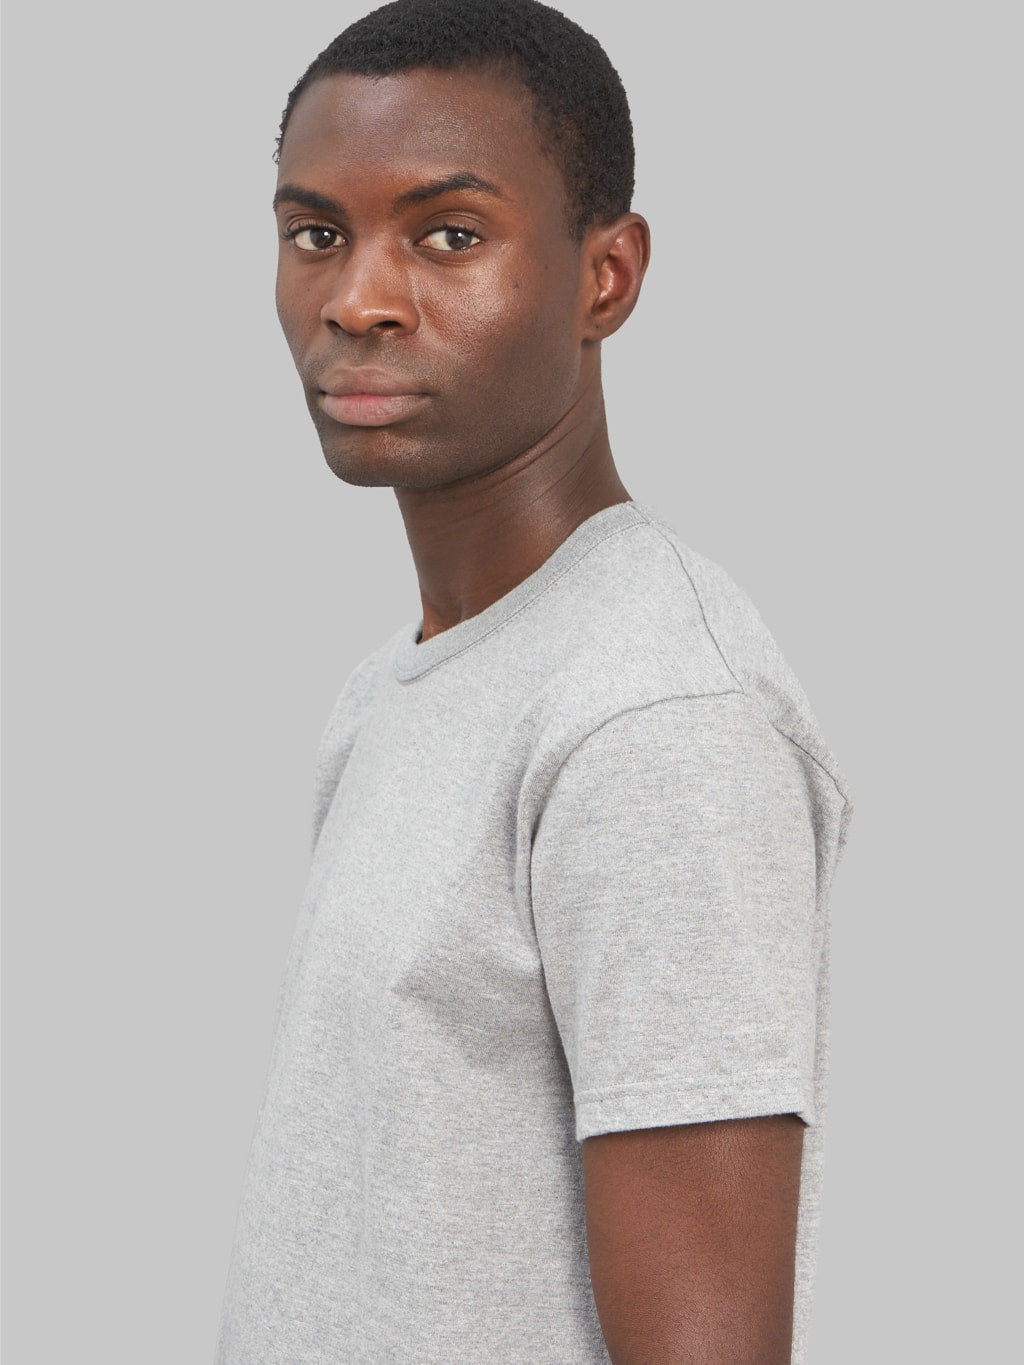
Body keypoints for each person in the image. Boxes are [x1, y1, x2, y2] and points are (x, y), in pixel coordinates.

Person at [215, 1, 853, 1360]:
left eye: (449, 234)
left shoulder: (655, 717)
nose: (357, 299)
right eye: (316, 233)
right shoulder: (401, 683)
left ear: (605, 276)